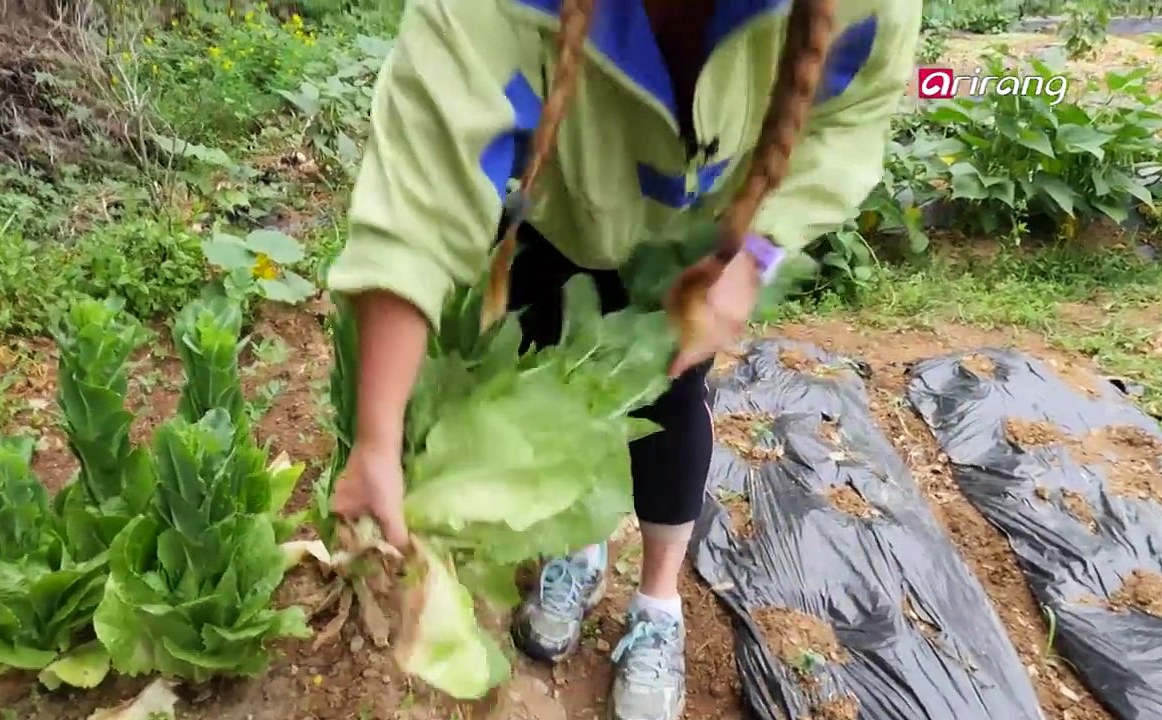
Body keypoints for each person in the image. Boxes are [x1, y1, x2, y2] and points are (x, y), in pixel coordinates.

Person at [328, 1, 919, 718]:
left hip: (703, 246)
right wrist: (378, 439)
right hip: (561, 214)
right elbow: (419, 193)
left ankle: (657, 602)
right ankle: (576, 553)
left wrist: (755, 256)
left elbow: (850, 120)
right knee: (549, 384)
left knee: (669, 403)